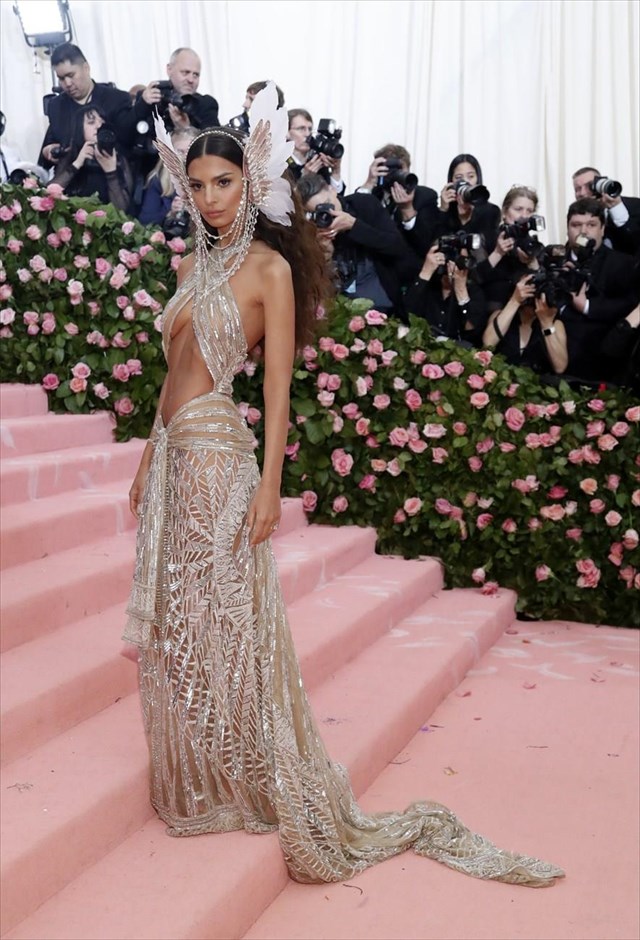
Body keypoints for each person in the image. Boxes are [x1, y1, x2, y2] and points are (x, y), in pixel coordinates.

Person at [123, 82, 563, 888]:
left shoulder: (267, 272)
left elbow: (279, 392)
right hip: (174, 456)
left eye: (224, 182)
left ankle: (254, 773)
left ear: (248, 184)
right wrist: (150, 454)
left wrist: (269, 488)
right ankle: (208, 774)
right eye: (199, 185)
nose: (211, 197)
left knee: (231, 616)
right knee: (184, 617)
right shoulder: (195, 261)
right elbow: (171, 375)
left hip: (223, 457)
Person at [296, 171, 416, 319]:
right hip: (339, 313)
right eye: (318, 212)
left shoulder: (363, 204)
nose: (327, 214)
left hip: (382, 306)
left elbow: (396, 246)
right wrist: (324, 253)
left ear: (332, 189)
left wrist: (354, 225)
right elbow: (312, 283)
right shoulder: (311, 228)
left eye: (328, 205)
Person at [559, 198, 640, 383]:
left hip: (601, 362)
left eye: (591, 225)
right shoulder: (553, 260)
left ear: (602, 229)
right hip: (554, 359)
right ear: (568, 228)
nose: (583, 231)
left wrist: (587, 306)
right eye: (576, 225)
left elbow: (629, 305)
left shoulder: (623, 263)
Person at [39, 43, 136, 172]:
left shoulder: (116, 99)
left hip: (110, 179)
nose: (67, 83)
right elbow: (50, 143)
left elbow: (128, 145)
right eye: (61, 78)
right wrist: (48, 150)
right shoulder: (56, 106)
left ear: (86, 68)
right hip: (71, 180)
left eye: (71, 75)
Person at [356, 143, 439, 258]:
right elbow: (354, 222)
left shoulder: (425, 196)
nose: (395, 175)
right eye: (389, 170)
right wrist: (369, 183)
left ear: (408, 170)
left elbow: (425, 245)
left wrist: (407, 210)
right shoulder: (371, 195)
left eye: (399, 170)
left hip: (407, 268)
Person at [482, 273, 568, 376]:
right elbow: (488, 344)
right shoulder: (500, 316)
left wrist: (546, 324)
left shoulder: (556, 325)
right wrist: (515, 301)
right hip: (501, 381)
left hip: (536, 387)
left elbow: (560, 367)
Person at [404, 241, 487, 346]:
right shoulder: (428, 285)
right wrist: (426, 271)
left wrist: (461, 289)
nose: (455, 265)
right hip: (421, 347)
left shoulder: (474, 291)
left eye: (461, 260)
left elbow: (472, 333)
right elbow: (406, 314)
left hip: (457, 354)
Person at [51, 105, 133, 212]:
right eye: (91, 122)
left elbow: (123, 210)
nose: (98, 126)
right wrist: (77, 164)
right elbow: (48, 194)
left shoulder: (118, 158)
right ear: (79, 129)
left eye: (102, 122)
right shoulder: (70, 156)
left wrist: (111, 172)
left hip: (107, 223)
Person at [476, 186, 544, 309]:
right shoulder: (487, 238)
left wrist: (532, 263)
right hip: (491, 310)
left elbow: (543, 285)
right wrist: (497, 253)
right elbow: (475, 278)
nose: (524, 216)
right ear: (504, 212)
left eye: (529, 211)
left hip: (524, 312)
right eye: (518, 209)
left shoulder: (533, 245)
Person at [134, 48, 220, 136]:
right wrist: (143, 103)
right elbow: (126, 136)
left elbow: (214, 143)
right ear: (169, 69)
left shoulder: (205, 104)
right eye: (185, 72)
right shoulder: (151, 98)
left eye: (196, 75)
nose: (191, 80)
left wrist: (187, 129)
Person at [435, 153, 501, 254]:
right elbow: (437, 246)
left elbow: (485, 250)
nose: (465, 182)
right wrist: (443, 209)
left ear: (477, 179)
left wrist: (466, 219)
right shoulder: (447, 211)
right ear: (451, 181)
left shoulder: (491, 211)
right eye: (458, 177)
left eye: (471, 176)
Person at [137, 126, 198, 229]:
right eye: (180, 151)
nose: (185, 157)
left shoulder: (210, 181)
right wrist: (170, 213)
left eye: (190, 151)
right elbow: (144, 222)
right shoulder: (157, 180)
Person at [572, 166, 640, 256]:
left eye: (589, 186)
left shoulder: (635, 205)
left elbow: (635, 242)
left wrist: (616, 208)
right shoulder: (578, 215)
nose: (582, 193)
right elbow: (577, 246)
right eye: (578, 189)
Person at [286, 109, 344, 194]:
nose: (307, 134)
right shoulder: (282, 164)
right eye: (301, 129)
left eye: (310, 129)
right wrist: (303, 180)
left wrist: (336, 172)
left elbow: (337, 200)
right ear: (287, 133)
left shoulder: (317, 161)